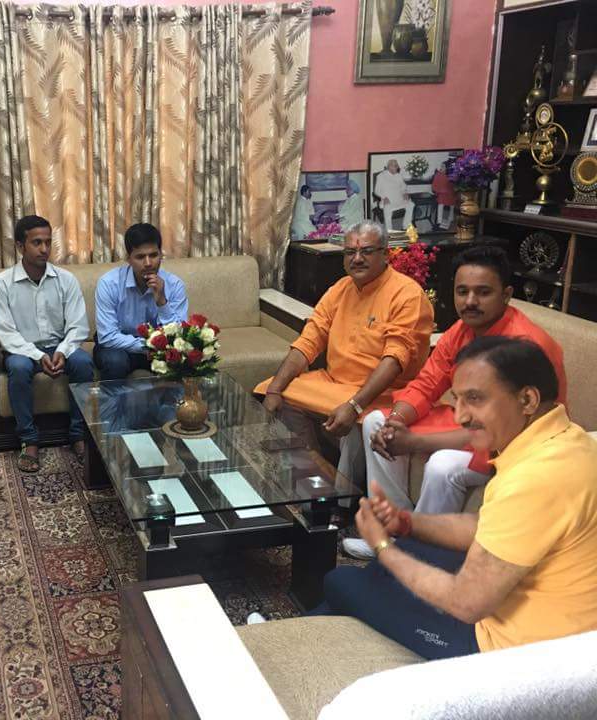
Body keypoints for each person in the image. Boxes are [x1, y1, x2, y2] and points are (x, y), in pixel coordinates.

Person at [317, 336, 597, 660]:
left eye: (475, 399)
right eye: (458, 401)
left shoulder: (536, 478)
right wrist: (405, 523)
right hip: (543, 609)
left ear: (527, 400)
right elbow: (488, 525)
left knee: (340, 580)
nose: (461, 416)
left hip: (513, 652)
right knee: (405, 550)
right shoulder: (568, 440)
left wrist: (382, 546)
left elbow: (466, 604)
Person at [344, 245, 567, 559]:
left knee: (443, 465)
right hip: (472, 424)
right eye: (462, 292)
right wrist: (396, 422)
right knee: (376, 422)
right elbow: (426, 384)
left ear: (506, 295)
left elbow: (504, 431)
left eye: (483, 292)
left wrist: (415, 443)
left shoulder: (524, 347)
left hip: (521, 443)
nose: (470, 301)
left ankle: (418, 553)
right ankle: (391, 530)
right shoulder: (460, 331)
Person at [255, 221, 433, 487]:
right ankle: (315, 477)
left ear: (385, 254)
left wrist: (354, 405)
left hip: (381, 394)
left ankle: (342, 498)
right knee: (277, 393)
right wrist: (275, 389)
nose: (357, 259)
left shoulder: (407, 295)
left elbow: (395, 360)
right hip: (333, 384)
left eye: (366, 251)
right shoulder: (340, 289)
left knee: (356, 419)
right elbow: (308, 341)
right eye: (350, 252)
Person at [0, 215, 95, 473]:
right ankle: (29, 440)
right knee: (19, 368)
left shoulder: (66, 280)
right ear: (20, 246)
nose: (45, 249)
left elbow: (78, 325)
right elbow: (6, 333)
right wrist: (37, 355)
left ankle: (78, 434)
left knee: (83, 362)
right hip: (22, 350)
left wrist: (62, 351)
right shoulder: (1, 284)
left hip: (60, 347)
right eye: (37, 242)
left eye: (48, 242)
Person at [94, 223, 188, 380]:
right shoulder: (109, 283)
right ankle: (112, 399)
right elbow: (108, 336)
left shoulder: (175, 285)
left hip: (158, 349)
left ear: (161, 255)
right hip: (118, 346)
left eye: (153, 255)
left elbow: (179, 336)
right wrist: (149, 346)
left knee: (181, 360)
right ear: (128, 259)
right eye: (140, 257)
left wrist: (162, 302)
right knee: (115, 361)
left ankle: (173, 397)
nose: (148, 263)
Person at [374, 159, 416, 233]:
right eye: (395, 166)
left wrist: (405, 193)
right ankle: (390, 231)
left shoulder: (398, 175)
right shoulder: (381, 176)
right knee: (387, 208)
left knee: (411, 204)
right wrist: (383, 197)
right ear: (389, 167)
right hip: (388, 200)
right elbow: (376, 190)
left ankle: (405, 226)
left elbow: (403, 187)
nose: (397, 167)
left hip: (399, 199)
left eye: (397, 166)